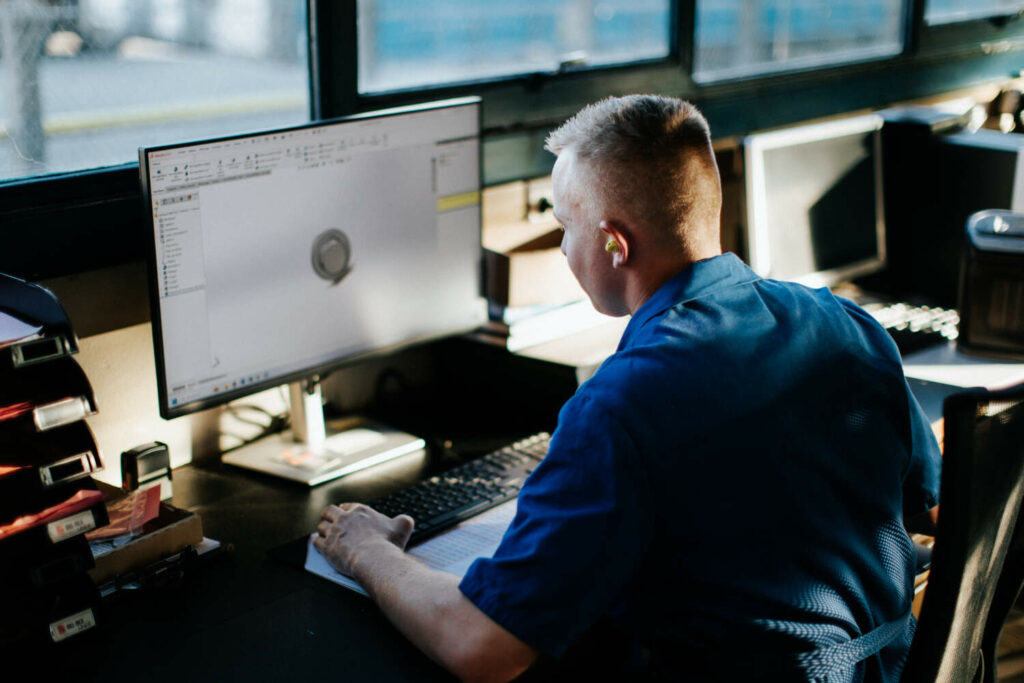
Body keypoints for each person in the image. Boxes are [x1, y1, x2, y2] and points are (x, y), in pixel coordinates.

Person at [313, 95, 942, 682]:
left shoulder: (621, 406)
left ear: (615, 243)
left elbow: (484, 648)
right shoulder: (849, 325)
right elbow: (926, 504)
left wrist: (368, 550)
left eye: (565, 226)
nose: (562, 247)